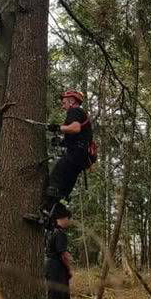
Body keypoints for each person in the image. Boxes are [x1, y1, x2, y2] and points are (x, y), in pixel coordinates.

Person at [25, 90, 93, 226]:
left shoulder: (75, 111)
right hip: (80, 158)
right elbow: (77, 136)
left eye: (64, 103)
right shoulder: (79, 113)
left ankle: (43, 214)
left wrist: (59, 127)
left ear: (72, 101)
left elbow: (75, 128)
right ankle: (52, 218)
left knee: (54, 182)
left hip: (75, 155)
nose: (63, 106)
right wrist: (61, 141)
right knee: (62, 192)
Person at [45, 202, 73, 299]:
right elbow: (64, 255)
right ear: (63, 218)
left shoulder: (52, 232)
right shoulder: (60, 234)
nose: (69, 221)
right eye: (69, 218)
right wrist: (70, 269)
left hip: (54, 269)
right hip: (57, 270)